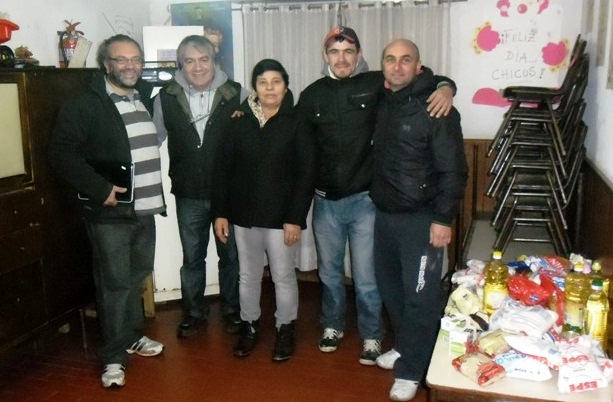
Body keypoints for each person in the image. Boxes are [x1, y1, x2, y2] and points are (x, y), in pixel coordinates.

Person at [296, 26, 456, 366]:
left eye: (348, 51)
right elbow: (297, 144)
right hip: (325, 203)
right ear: (325, 56)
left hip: (365, 201)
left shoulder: (375, 85)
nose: (342, 59)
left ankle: (372, 334)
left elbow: (418, 78)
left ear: (359, 55)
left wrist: (446, 86)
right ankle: (332, 325)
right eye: (334, 52)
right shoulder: (311, 96)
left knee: (367, 277)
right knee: (329, 273)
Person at [48, 34, 166, 388]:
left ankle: (131, 337)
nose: (131, 66)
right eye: (122, 59)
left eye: (136, 59)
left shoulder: (142, 96)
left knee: (136, 276)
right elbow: (61, 153)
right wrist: (100, 189)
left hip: (145, 208)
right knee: (114, 284)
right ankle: (114, 357)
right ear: (106, 64)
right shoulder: (85, 104)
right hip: (111, 214)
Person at [370, 39, 467, 401]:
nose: (397, 66)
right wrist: (447, 83)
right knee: (392, 291)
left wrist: (443, 219)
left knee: (421, 298)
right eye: (390, 59)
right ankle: (405, 346)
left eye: (405, 60)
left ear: (418, 65)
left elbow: (454, 170)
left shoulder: (437, 107)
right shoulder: (384, 101)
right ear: (383, 65)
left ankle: (412, 370)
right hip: (385, 216)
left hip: (422, 220)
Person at [212, 59, 315, 362]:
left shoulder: (298, 122)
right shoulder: (238, 120)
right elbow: (223, 170)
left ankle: (286, 327)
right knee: (248, 275)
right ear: (254, 87)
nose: (269, 88)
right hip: (244, 216)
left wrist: (295, 218)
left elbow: (306, 174)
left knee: (283, 275)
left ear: (286, 86)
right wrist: (220, 212)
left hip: (282, 219)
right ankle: (250, 325)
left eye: (276, 82)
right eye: (262, 82)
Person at [152, 35, 248, 337]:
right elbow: (152, 141)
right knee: (192, 258)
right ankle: (194, 312)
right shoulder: (165, 98)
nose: (197, 67)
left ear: (214, 61)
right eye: (189, 61)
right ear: (181, 64)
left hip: (229, 194)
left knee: (231, 256)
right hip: (188, 193)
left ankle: (233, 309)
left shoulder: (238, 93)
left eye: (203, 59)